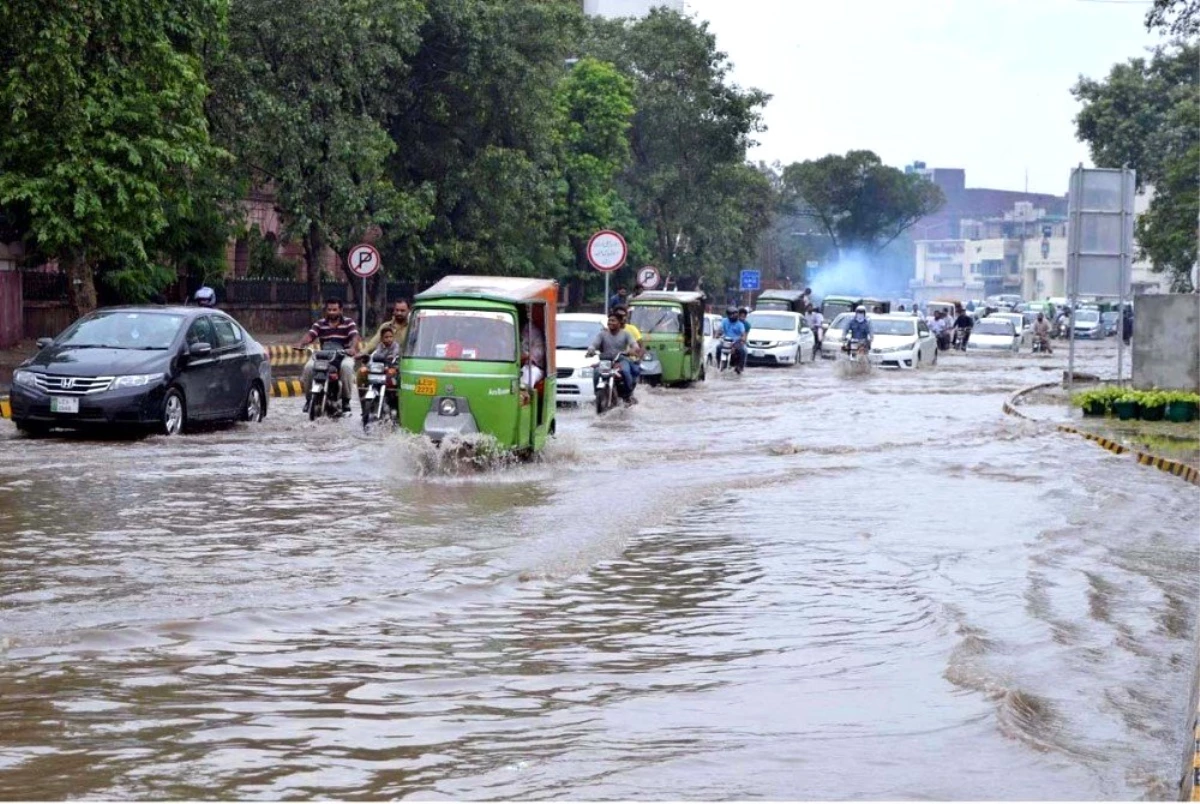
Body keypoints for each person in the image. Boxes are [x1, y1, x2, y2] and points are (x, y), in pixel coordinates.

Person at [297, 298, 360, 413]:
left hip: (343, 354)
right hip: (324, 355)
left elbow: (354, 337)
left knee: (347, 367)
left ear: (341, 310)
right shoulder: (320, 323)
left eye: (334, 309)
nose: (331, 312)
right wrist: (301, 343)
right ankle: (309, 399)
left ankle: (346, 400)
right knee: (308, 368)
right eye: (329, 310)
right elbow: (310, 335)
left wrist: (352, 348)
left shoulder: (348, 322)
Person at [586, 313, 638, 404]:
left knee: (625, 372)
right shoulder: (602, 334)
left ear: (619, 323)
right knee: (597, 372)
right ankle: (597, 395)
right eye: (609, 320)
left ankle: (628, 395)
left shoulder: (626, 334)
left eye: (613, 320)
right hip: (606, 361)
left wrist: (633, 350)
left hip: (621, 360)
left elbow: (634, 345)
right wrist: (591, 350)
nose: (610, 322)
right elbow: (594, 344)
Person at [613, 306, 644, 387]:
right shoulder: (608, 329)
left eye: (623, 316)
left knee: (627, 371)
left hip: (628, 358)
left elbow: (640, 346)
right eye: (618, 316)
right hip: (611, 359)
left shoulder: (632, 329)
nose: (622, 318)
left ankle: (628, 392)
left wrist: (639, 358)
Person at [719, 306, 748, 373]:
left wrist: (743, 339)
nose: (735, 316)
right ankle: (718, 364)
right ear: (729, 315)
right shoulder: (724, 321)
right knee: (718, 348)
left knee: (742, 351)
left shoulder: (740, 324)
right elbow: (720, 329)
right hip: (726, 341)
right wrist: (718, 334)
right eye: (733, 314)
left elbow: (743, 334)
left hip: (736, 342)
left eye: (736, 314)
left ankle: (740, 367)